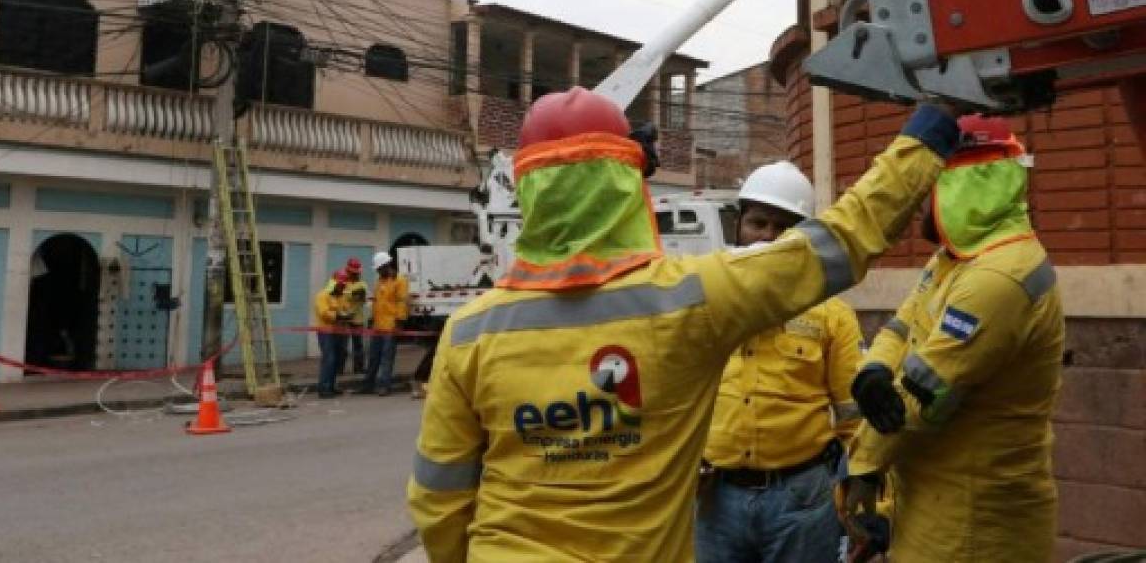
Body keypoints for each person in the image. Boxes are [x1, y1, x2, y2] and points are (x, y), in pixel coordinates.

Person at [406, 86, 959, 562]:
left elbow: (439, 497)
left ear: (525, 190)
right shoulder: (692, 300)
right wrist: (934, 121)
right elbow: (844, 238)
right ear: (628, 186)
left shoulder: (469, 332)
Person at [842, 115, 1064, 563]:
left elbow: (924, 398)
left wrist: (858, 468)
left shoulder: (999, 277)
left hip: (976, 523)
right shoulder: (955, 260)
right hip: (935, 503)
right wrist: (874, 371)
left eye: (932, 187)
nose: (922, 203)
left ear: (964, 184)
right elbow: (901, 326)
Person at [697, 161, 863, 563]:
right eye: (758, 223)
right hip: (717, 498)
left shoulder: (831, 314)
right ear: (739, 225)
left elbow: (854, 418)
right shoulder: (704, 302)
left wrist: (866, 501)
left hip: (801, 500)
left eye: (784, 226)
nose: (769, 237)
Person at [353, 252, 408, 397]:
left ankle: (384, 386)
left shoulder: (399, 281)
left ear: (386, 266)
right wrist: (371, 318)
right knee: (373, 357)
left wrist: (399, 323)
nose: (378, 271)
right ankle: (368, 385)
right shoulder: (380, 281)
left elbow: (402, 302)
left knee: (386, 358)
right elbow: (377, 301)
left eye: (379, 268)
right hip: (378, 325)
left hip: (390, 326)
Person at [312, 269, 350, 398]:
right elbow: (324, 313)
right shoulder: (322, 295)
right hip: (326, 331)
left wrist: (347, 315)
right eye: (341, 284)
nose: (343, 287)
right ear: (334, 283)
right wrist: (338, 316)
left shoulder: (342, 296)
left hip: (339, 331)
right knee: (329, 359)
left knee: (337, 359)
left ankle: (332, 386)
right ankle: (324, 388)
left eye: (344, 285)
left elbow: (345, 309)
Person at [341, 258, 369, 375]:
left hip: (357, 318)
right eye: (352, 271)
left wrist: (354, 296)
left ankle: (358, 368)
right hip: (344, 318)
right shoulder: (342, 282)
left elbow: (362, 299)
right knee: (342, 345)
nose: (354, 274)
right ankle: (339, 368)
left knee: (358, 345)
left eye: (356, 272)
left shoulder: (362, 284)